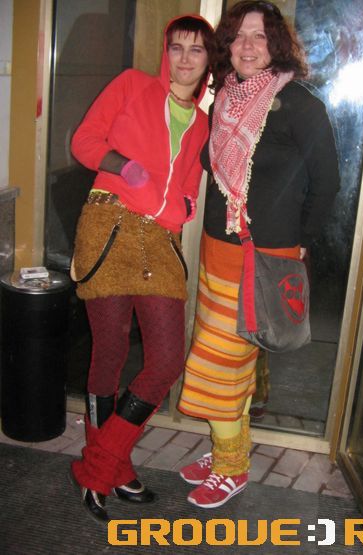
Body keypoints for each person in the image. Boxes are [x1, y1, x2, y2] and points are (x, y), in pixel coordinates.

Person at [178, 0, 340, 509]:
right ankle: (231, 448)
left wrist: (299, 243)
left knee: (218, 366)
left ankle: (231, 468)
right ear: (227, 45)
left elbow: (327, 184)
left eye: (260, 36)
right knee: (236, 363)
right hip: (217, 251)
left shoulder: (300, 105)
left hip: (264, 256)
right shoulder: (224, 99)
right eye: (238, 36)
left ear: (277, 44)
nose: (248, 46)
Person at [69, 14, 214, 523]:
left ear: (208, 61)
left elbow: (190, 185)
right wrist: (125, 167)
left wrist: (181, 205)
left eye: (196, 50)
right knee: (109, 353)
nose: (185, 58)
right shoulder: (132, 85)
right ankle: (117, 467)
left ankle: (96, 466)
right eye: (177, 47)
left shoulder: (202, 123)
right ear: (165, 52)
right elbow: (84, 142)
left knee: (166, 361)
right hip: (109, 224)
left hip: (160, 240)